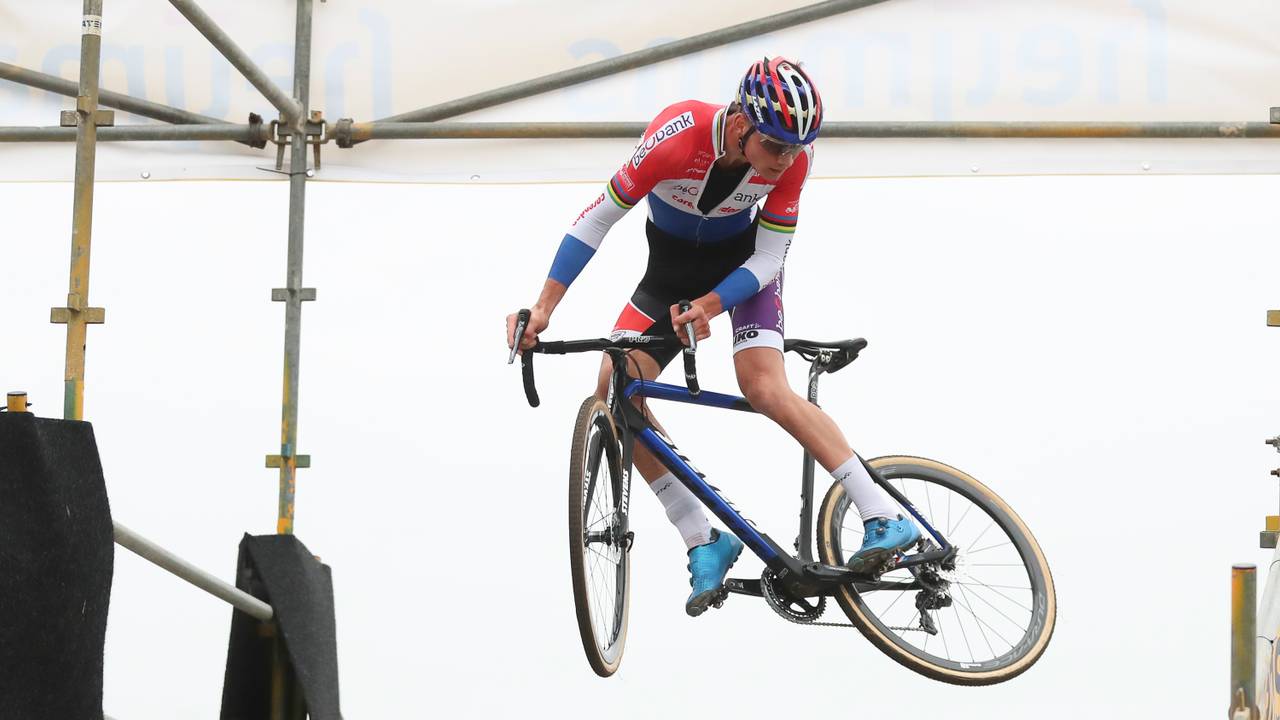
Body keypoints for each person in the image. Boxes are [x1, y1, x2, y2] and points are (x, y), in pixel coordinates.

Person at [507, 57, 920, 617]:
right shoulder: (676, 137)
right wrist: (544, 309)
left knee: (763, 387)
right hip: (670, 276)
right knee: (615, 386)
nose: (786, 160)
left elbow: (770, 256)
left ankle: (882, 513)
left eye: (797, 149)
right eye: (775, 146)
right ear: (741, 122)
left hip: (743, 274)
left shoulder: (792, 161)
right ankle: (702, 537)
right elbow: (596, 219)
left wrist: (711, 304)